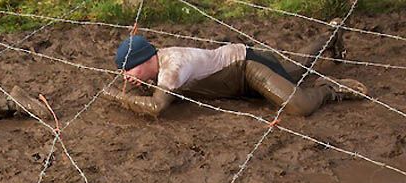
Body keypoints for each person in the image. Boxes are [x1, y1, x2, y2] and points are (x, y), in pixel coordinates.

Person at [104, 21, 368, 118]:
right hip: (237, 80)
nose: (125, 76)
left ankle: (328, 88)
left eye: (128, 70)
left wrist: (115, 95)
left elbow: (156, 107)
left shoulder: (172, 67)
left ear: (144, 60)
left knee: (300, 105)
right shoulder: (157, 65)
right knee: (294, 71)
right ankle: (330, 36)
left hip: (246, 66)